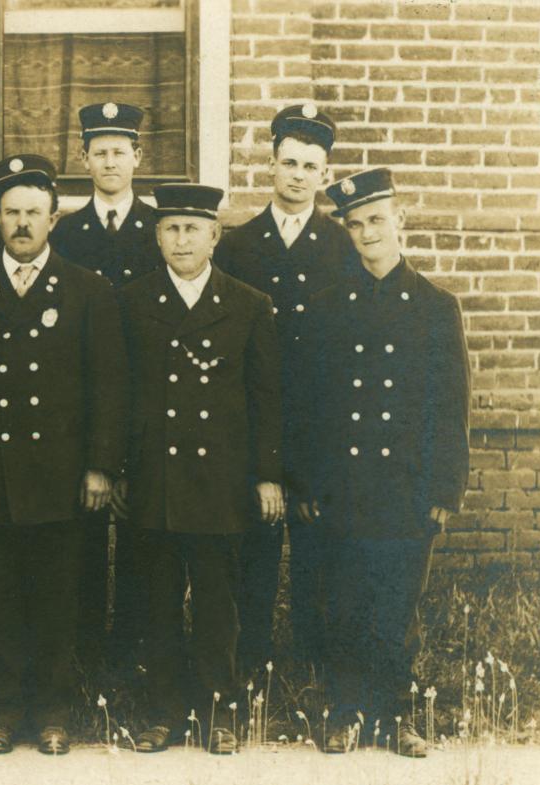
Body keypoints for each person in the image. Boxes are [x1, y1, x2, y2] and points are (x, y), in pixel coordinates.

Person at [0, 154, 129, 755]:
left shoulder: (87, 290)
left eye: (33, 212)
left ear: (54, 219)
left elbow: (108, 386)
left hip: (61, 476)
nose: (22, 223)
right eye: (11, 213)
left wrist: (101, 466)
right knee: (0, 597)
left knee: (57, 598)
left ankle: (53, 710)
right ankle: (2, 710)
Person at [293, 168, 468, 758]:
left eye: (376, 219)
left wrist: (444, 487)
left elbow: (451, 405)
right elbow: (311, 404)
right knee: (342, 602)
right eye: (355, 224)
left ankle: (397, 715)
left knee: (397, 607)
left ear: (400, 222)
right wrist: (307, 483)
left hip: (406, 487)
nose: (367, 232)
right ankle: (345, 712)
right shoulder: (326, 308)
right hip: (343, 487)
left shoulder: (436, 307)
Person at [116, 184, 283, 755]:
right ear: (157, 236)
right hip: (154, 478)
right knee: (157, 599)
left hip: (220, 481)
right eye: (171, 228)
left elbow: (266, 398)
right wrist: (117, 469)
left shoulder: (249, 304)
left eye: (193, 229)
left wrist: (267, 474)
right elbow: (117, 393)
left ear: (214, 236)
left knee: (217, 602)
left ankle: (219, 712)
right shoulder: (132, 301)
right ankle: (162, 713)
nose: (182, 240)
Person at [213, 103, 354, 677]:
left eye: (310, 166)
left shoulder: (342, 247)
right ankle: (249, 666)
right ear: (270, 165)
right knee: (254, 550)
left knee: (319, 552)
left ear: (325, 174)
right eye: (289, 162)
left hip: (319, 424)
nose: (298, 175)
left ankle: (313, 670)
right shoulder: (239, 245)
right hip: (253, 423)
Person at [49, 102, 164, 668]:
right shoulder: (67, 233)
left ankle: (135, 655)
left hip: (150, 395)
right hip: (86, 400)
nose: (110, 162)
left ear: (138, 157)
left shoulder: (159, 228)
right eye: (100, 152)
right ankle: (86, 656)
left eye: (121, 151)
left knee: (144, 531)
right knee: (85, 534)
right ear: (84, 158)